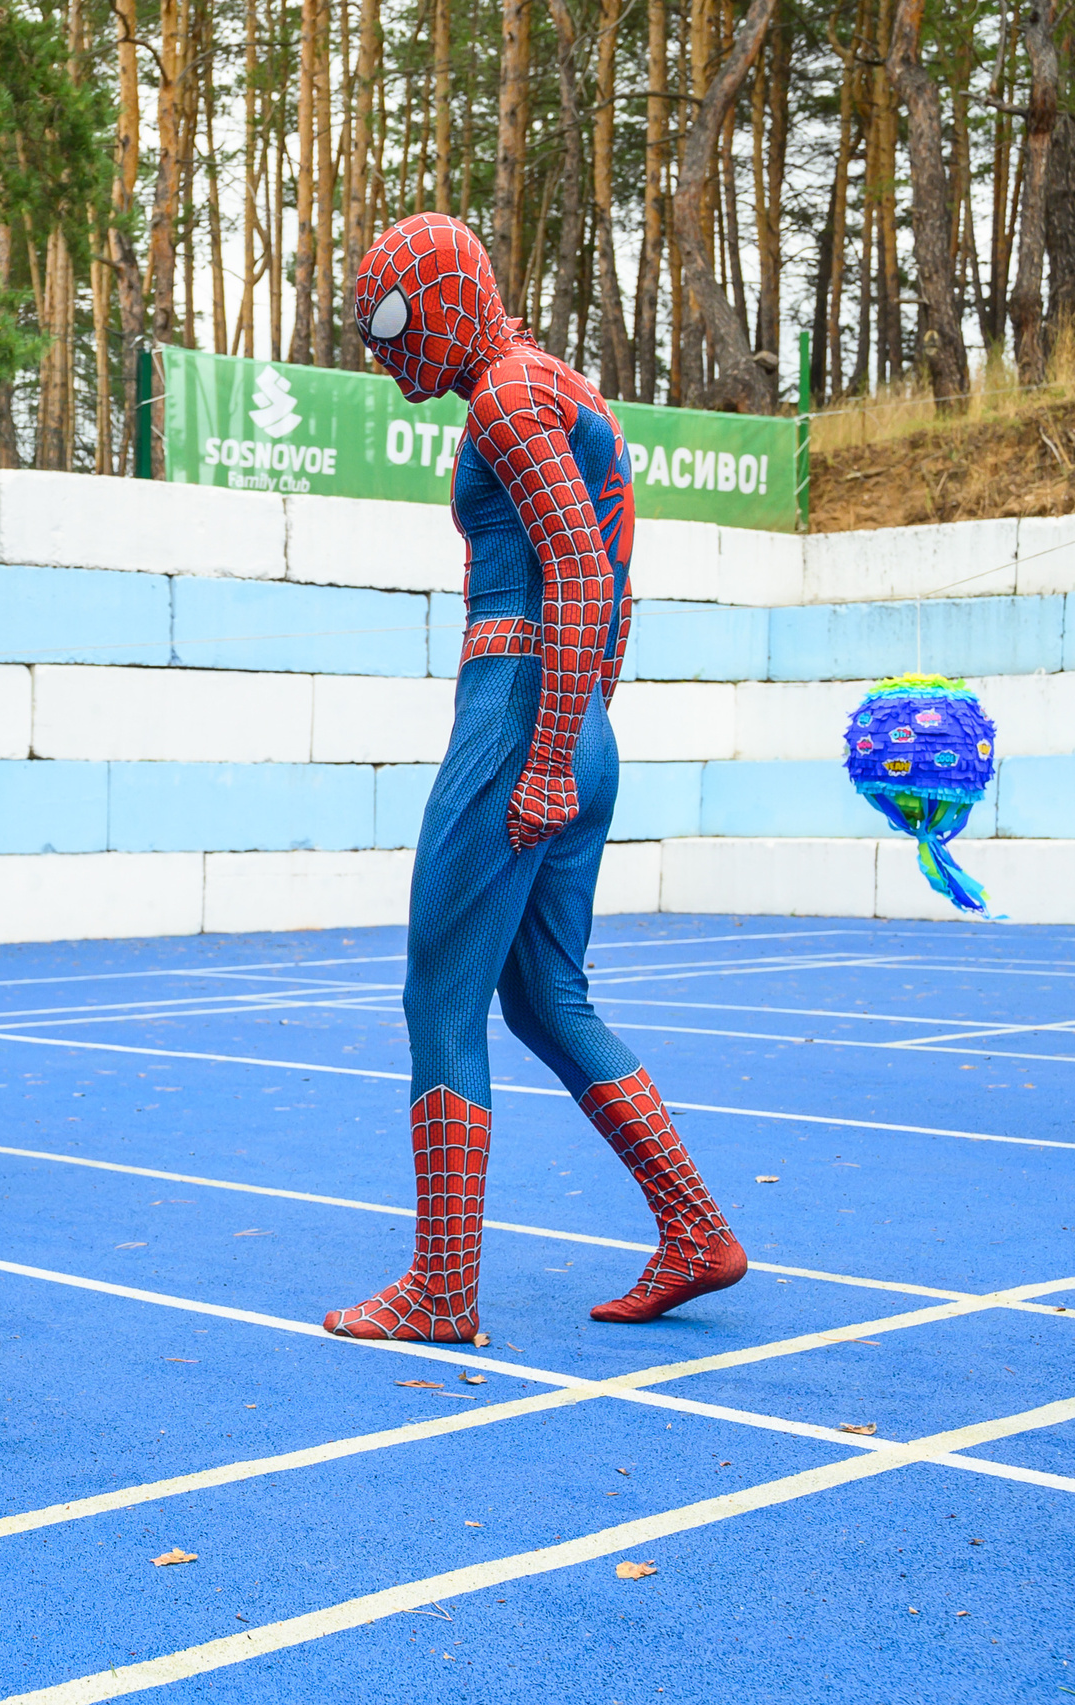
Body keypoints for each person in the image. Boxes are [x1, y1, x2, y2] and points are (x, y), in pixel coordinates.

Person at [325, 214, 745, 1343]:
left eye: (390, 320)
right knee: (547, 1000)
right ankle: (694, 1228)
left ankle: (443, 1290)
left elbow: (570, 572)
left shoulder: (506, 397)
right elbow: (606, 580)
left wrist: (545, 754)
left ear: (451, 296)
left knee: (440, 998)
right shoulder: (558, 387)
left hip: (519, 709)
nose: (380, 347)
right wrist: (581, 728)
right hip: (570, 713)